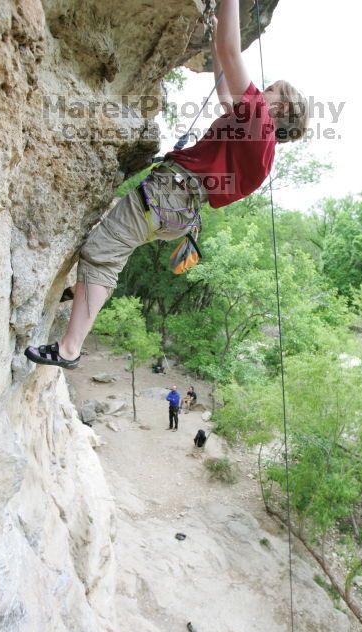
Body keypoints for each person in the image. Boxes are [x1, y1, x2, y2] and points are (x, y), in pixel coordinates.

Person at [24, 0, 309, 370]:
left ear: (282, 110)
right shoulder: (259, 145)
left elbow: (229, 51)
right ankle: (83, 294)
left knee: (102, 252)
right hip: (178, 209)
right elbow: (224, 87)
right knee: (110, 248)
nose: (262, 91)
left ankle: (69, 349)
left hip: (169, 194)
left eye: (270, 90)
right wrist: (216, 29)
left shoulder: (261, 126)